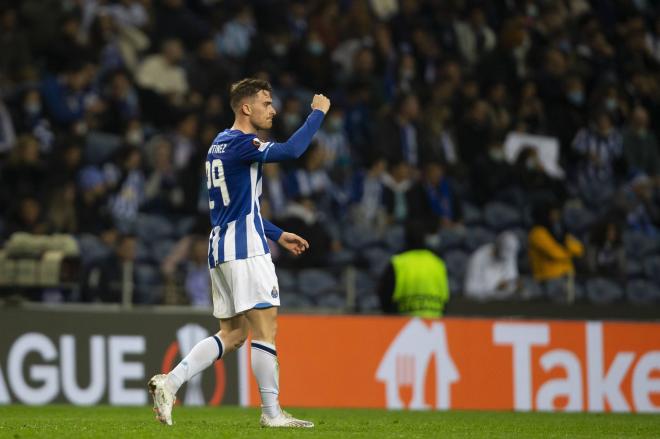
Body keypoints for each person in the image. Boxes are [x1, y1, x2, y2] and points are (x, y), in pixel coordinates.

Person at [148, 78, 330, 428]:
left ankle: (169, 384)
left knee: (232, 335)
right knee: (266, 327)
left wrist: (277, 234)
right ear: (246, 108)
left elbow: (241, 208)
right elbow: (292, 151)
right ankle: (272, 414)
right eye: (266, 103)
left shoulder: (218, 144)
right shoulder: (245, 143)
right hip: (245, 250)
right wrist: (317, 114)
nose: (272, 109)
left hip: (222, 247)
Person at [377, 220, 450, 317]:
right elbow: (446, 298)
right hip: (436, 325)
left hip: (403, 327)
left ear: (405, 238)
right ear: (426, 238)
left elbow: (384, 298)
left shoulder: (398, 263)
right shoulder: (438, 262)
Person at [464, 231, 520, 301]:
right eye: (502, 256)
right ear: (496, 247)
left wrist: (514, 286)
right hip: (482, 306)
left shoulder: (509, 256)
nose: (505, 260)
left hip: (505, 304)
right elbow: (470, 291)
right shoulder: (478, 258)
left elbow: (512, 280)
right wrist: (495, 288)